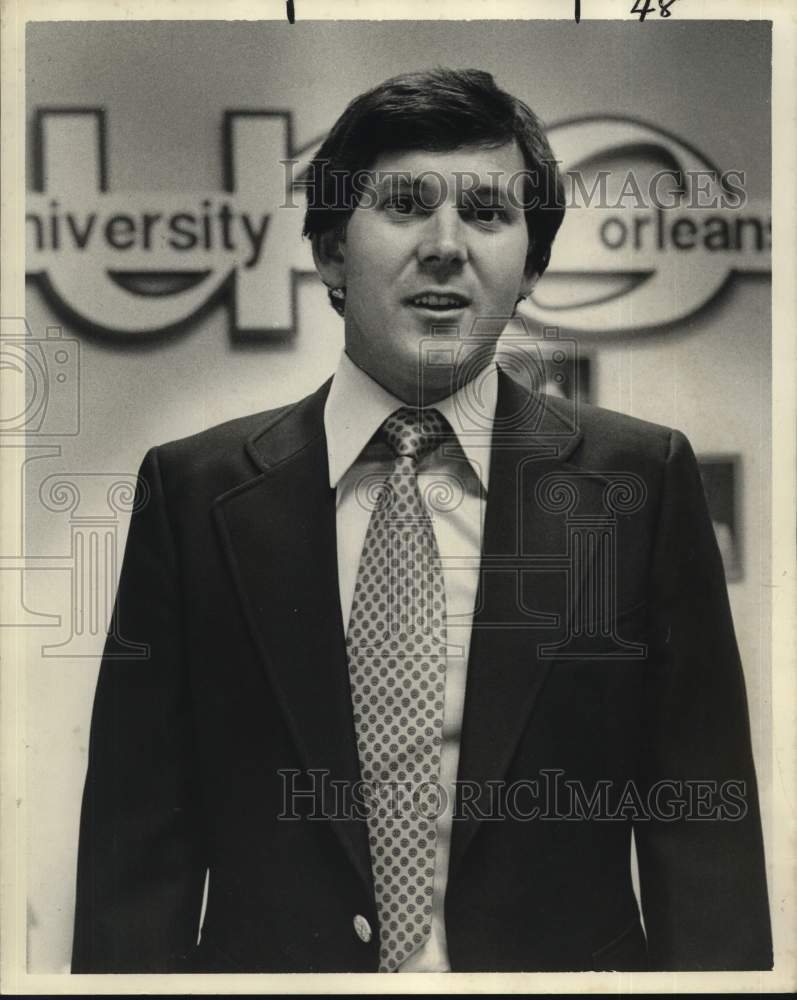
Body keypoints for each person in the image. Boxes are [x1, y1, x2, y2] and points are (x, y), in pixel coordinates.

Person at [72, 67, 772, 974]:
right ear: (330, 252)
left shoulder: (639, 481)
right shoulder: (193, 492)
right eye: (403, 205)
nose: (446, 247)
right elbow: (137, 860)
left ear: (531, 265)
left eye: (487, 214)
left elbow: (702, 840)